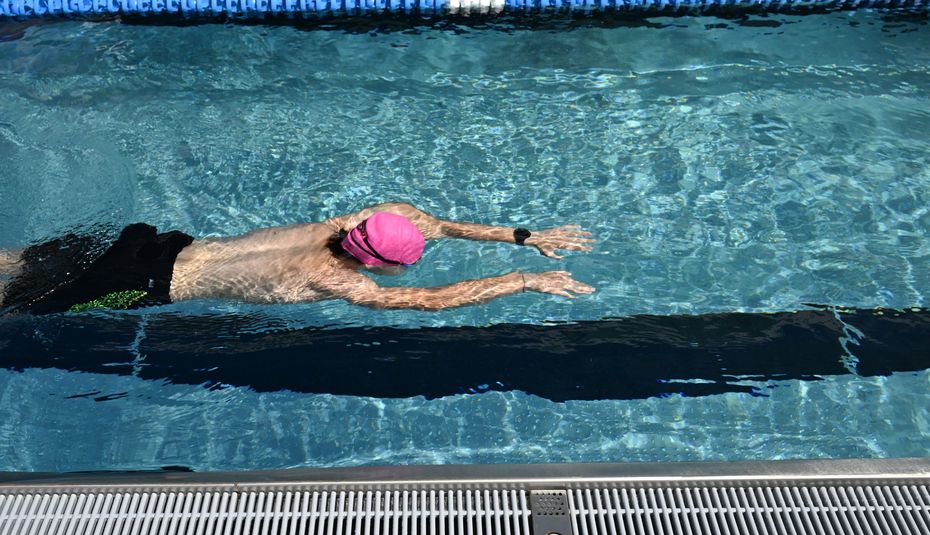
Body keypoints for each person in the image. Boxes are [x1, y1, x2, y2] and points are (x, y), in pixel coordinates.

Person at [0, 202, 595, 314]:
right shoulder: (335, 279)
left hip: (160, 244)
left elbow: (430, 224)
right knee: (20, 306)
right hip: (143, 279)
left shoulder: (354, 220)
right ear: (381, 264)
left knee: (20, 260)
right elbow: (432, 302)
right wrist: (521, 278)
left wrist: (520, 234)